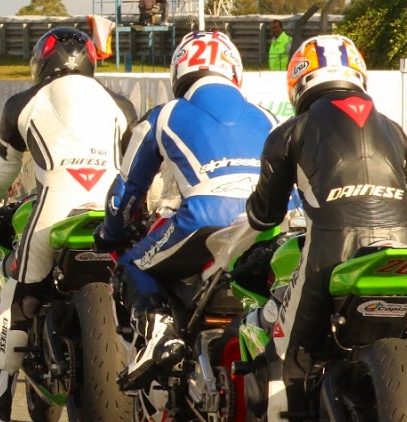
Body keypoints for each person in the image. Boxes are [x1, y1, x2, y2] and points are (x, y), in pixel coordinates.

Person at [241, 34, 407, 422]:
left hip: (333, 244)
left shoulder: (293, 129)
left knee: (286, 353)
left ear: (299, 80)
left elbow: (263, 213)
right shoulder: (393, 129)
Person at [0, 27, 135, 422]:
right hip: (113, 212)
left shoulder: (23, 102)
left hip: (56, 205)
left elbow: (2, 174)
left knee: (16, 299)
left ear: (43, 62)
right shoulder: (122, 104)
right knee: (141, 296)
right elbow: (137, 168)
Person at [96, 31, 275, 387]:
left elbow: (127, 192)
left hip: (206, 219)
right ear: (234, 70)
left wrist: (111, 233)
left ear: (178, 72)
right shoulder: (268, 116)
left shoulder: (164, 115)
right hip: (271, 222)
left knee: (131, 265)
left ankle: (159, 331)